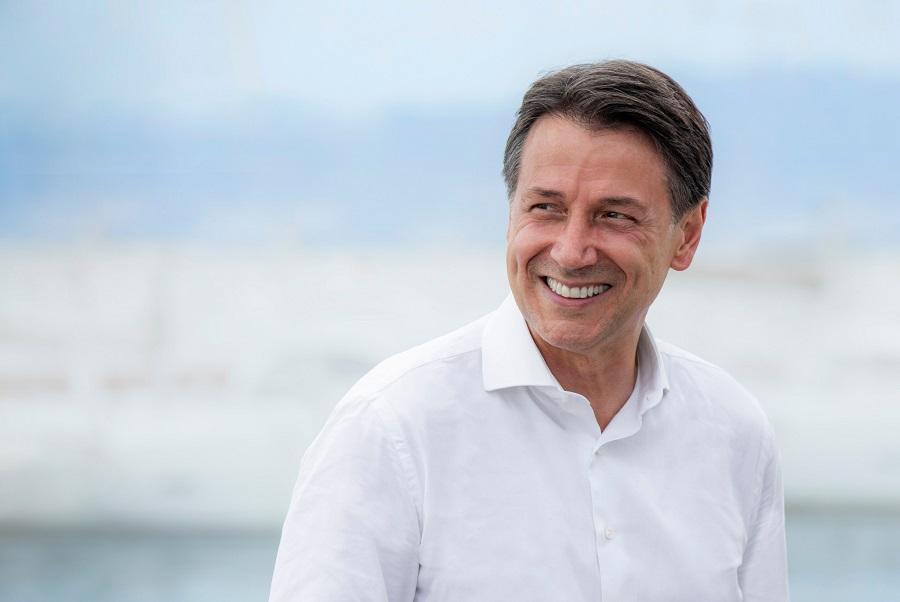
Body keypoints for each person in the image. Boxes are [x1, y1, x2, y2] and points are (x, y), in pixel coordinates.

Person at [269, 60, 788, 601]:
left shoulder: (735, 434)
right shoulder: (392, 427)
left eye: (614, 216)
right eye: (546, 208)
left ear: (688, 235)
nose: (571, 251)